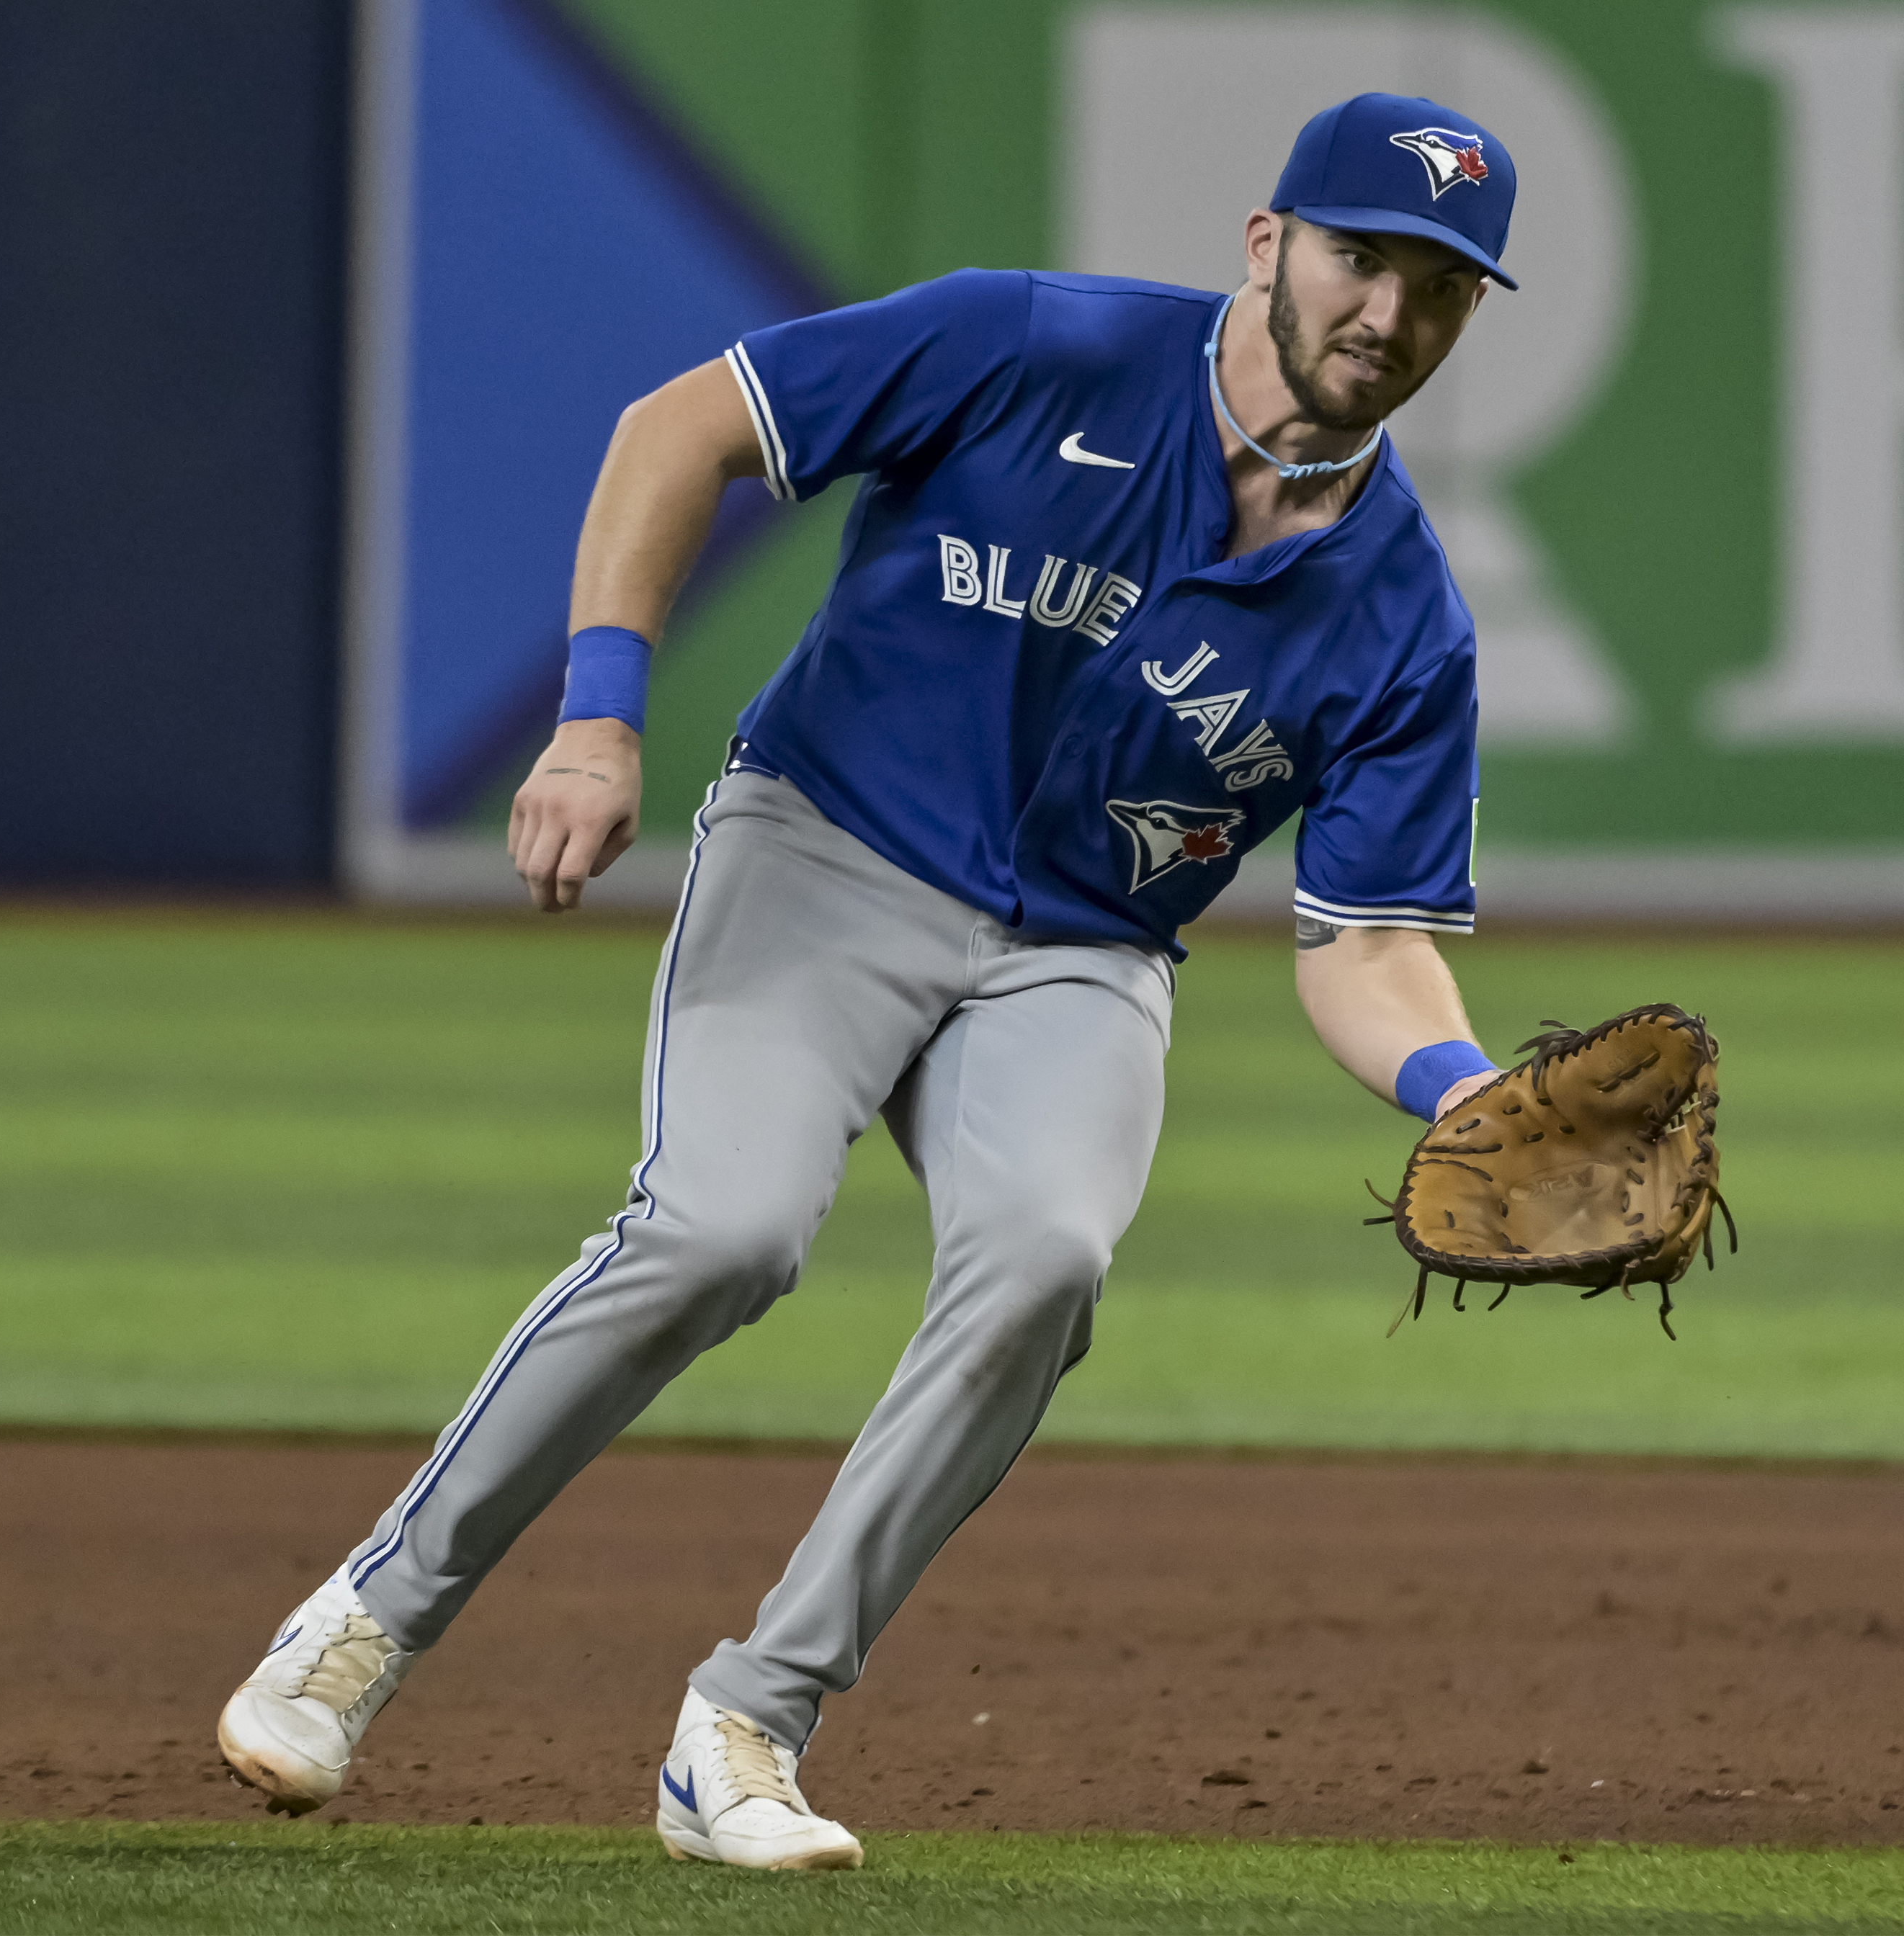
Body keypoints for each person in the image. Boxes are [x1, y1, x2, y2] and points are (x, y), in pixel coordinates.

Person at [218, 93, 1524, 1870]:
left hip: (1079, 949)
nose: (1386, 313)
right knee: (721, 1232)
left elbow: (1369, 945)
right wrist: (601, 715)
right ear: (1266, 243)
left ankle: (749, 1725)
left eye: (1438, 288)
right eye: (1360, 257)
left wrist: (1465, 1094)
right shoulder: (1031, 343)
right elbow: (683, 428)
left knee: (1046, 1265)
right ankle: (365, 1623)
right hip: (829, 849)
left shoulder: (1404, 619)